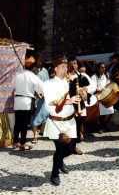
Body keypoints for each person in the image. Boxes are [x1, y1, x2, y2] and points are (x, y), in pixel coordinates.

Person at [43, 55, 81, 186]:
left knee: (70, 149)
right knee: (60, 149)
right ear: (56, 68)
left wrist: (83, 94)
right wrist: (68, 101)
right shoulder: (48, 84)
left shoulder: (70, 82)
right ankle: (54, 174)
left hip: (70, 121)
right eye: (63, 67)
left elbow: (81, 96)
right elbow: (49, 104)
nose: (66, 69)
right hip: (56, 122)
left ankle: (59, 162)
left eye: (66, 66)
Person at [13, 56, 44, 150]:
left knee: (17, 123)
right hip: (27, 102)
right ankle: (22, 143)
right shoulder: (33, 76)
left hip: (17, 101)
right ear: (33, 67)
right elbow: (40, 89)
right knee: (24, 124)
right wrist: (40, 94)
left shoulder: (16, 74)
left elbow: (12, 86)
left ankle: (15, 143)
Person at [69, 56, 97, 144]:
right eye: (71, 64)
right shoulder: (65, 76)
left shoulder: (82, 76)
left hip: (79, 102)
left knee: (79, 121)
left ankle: (77, 136)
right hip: (68, 102)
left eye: (75, 63)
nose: (73, 65)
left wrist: (86, 89)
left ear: (77, 65)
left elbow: (93, 86)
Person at [30, 57, 49, 144]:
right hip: (36, 96)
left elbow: (47, 82)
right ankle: (35, 135)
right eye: (37, 61)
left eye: (40, 60)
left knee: (45, 115)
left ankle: (41, 132)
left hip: (44, 96)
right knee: (35, 116)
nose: (38, 62)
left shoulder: (45, 70)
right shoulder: (33, 70)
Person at [91, 62, 115, 133]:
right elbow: (93, 87)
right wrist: (97, 90)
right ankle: (100, 127)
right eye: (102, 67)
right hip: (98, 97)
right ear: (98, 69)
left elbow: (108, 85)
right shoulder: (94, 77)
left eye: (104, 67)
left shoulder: (106, 76)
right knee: (100, 114)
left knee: (110, 111)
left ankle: (103, 125)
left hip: (106, 96)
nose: (104, 68)